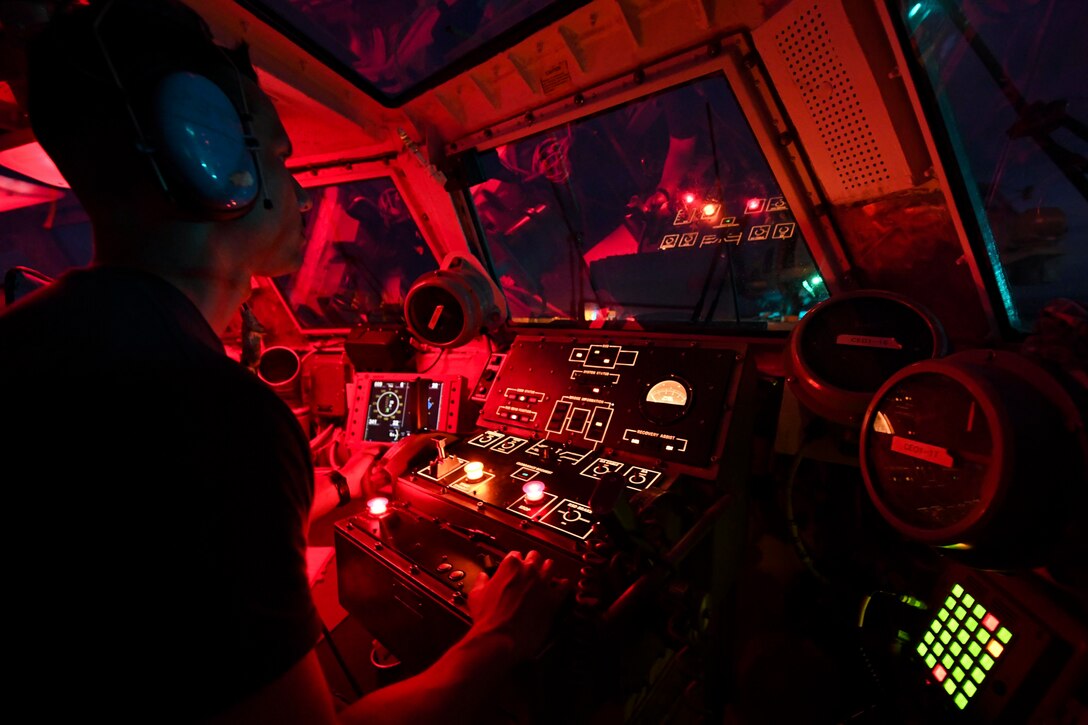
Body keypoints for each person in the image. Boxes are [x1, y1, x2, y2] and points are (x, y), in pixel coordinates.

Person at [0, 0, 565, 722]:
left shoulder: (38, 335)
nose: (297, 192)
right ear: (212, 165)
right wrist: (500, 636)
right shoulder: (216, 411)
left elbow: (161, 556)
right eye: (279, 159)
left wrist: (343, 478)